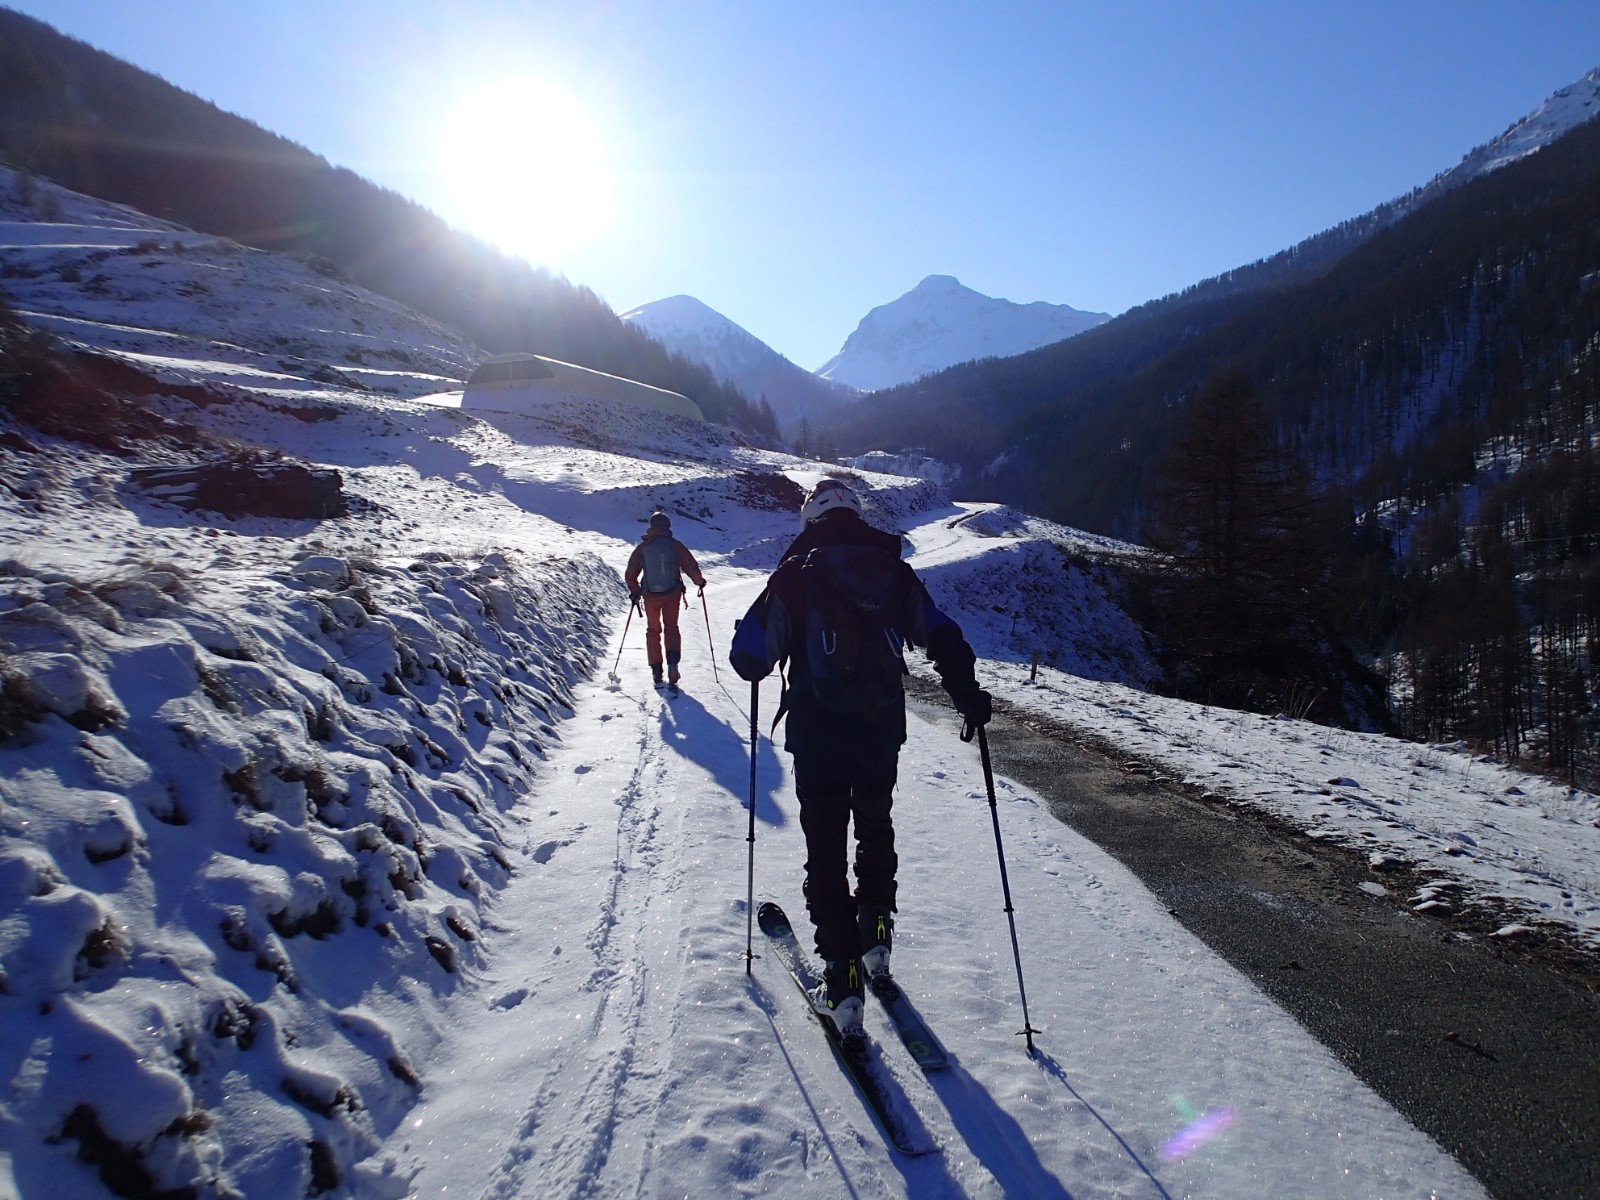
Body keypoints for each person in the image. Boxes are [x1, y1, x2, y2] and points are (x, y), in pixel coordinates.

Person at [730, 478, 991, 1037]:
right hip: (879, 730)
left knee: (825, 849)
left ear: (810, 521)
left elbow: (749, 658)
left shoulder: (795, 575)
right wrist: (968, 695)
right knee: (875, 825)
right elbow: (941, 634)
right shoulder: (891, 569)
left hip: (818, 735)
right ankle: (876, 939)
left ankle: (842, 979)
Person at [624, 511, 706, 687]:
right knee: (671, 628)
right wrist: (699, 581)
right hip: (672, 594)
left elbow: (631, 572)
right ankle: (673, 664)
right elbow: (690, 565)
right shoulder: (675, 545)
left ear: (652, 526)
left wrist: (635, 590)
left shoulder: (643, 548)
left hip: (650, 596)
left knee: (653, 631)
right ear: (667, 527)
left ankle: (656, 669)